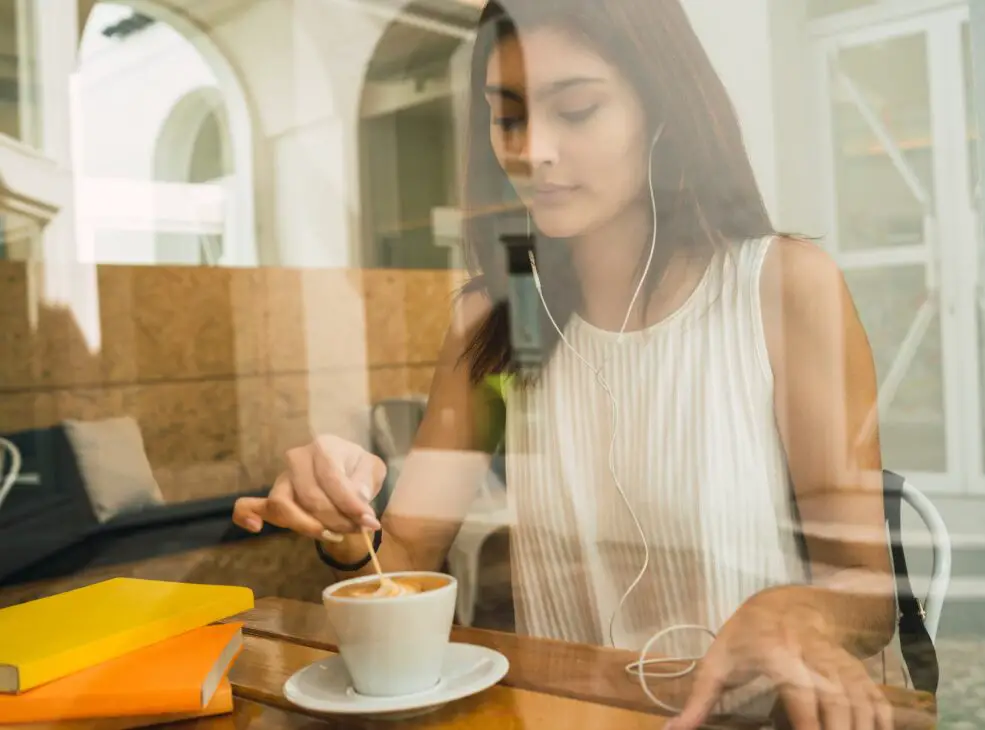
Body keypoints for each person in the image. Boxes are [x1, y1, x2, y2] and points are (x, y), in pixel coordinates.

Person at [235, 1, 903, 727]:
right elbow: (402, 562)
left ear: (664, 113)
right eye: (508, 116)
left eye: (577, 109)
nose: (532, 151)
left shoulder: (779, 287)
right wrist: (342, 528)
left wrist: (793, 611)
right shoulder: (500, 323)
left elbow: (867, 593)